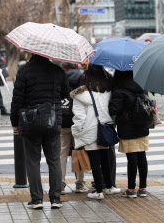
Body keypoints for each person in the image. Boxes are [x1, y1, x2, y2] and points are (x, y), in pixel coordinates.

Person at [10, 54, 70, 209]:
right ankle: (55, 199)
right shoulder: (58, 71)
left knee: (32, 161)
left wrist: (14, 122)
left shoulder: (24, 71)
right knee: (54, 160)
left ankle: (36, 200)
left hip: (31, 122)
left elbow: (17, 99)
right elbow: (65, 94)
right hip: (53, 120)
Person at [71, 64, 121, 200]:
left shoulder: (80, 95)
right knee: (105, 159)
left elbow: (79, 117)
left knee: (95, 161)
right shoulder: (108, 92)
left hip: (88, 131)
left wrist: (76, 132)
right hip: (104, 129)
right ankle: (110, 186)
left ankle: (98, 191)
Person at [109, 70, 149, 198]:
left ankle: (131, 189)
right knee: (142, 156)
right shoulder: (141, 86)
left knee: (131, 159)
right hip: (142, 126)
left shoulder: (119, 90)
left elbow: (114, 109)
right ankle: (143, 188)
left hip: (127, 128)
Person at [60, 62, 87, 194]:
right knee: (79, 150)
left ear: (62, 65)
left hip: (62, 120)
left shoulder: (58, 76)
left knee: (62, 152)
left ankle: (60, 183)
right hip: (78, 119)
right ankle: (80, 183)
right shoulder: (81, 77)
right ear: (76, 65)